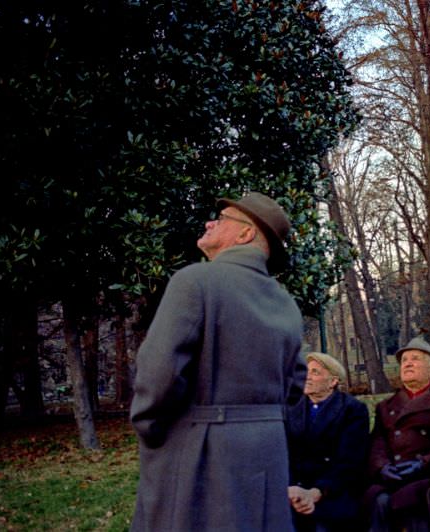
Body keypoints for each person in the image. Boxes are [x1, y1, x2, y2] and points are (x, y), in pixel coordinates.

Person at [130, 192, 306, 531]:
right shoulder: (285, 301)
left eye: (222, 218)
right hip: (268, 452)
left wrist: (150, 428)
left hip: (203, 452)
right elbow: (295, 384)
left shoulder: (195, 281)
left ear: (245, 234)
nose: (210, 222)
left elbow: (159, 372)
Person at [365, 337, 430, 532]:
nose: (407, 363)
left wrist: (423, 462)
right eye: (404, 360)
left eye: (415, 359)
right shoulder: (386, 406)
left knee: (411, 501)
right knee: (378, 499)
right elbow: (378, 442)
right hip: (394, 474)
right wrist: (381, 467)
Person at [286, 352, 370, 532]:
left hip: (334, 491)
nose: (308, 376)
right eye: (306, 371)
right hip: (294, 490)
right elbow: (285, 453)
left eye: (316, 372)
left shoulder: (352, 410)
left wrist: (316, 492)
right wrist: (291, 488)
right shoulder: (292, 408)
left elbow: (349, 462)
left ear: (333, 382)